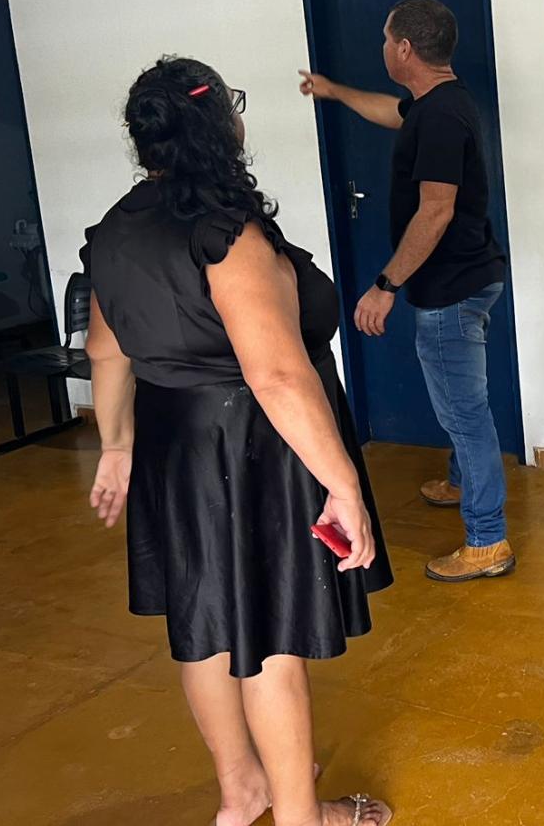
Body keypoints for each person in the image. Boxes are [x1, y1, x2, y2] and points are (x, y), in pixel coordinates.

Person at [83, 56, 394, 826]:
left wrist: (116, 445)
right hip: (251, 449)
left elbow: (105, 351)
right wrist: (343, 483)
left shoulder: (115, 229)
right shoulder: (225, 232)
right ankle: (300, 817)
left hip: (173, 446)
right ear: (222, 124)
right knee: (270, 637)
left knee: (205, 629)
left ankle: (241, 790)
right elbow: (278, 376)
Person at [298, 0, 514, 583]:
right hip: (469, 276)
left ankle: (488, 540)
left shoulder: (440, 116)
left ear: (404, 48)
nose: (382, 48)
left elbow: (435, 210)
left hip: (450, 289)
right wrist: (334, 91)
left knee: (465, 415)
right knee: (462, 404)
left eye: (384, 39)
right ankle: (462, 481)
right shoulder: (436, 103)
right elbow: (392, 113)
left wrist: (386, 285)